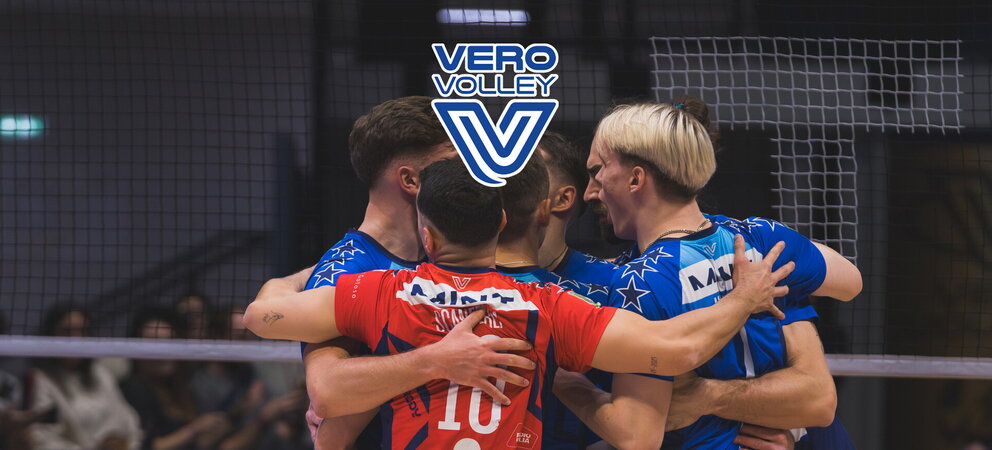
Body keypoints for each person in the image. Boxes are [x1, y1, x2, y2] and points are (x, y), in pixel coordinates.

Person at [243, 157, 794, 449]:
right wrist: (743, 298)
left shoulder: (381, 291)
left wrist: (297, 278)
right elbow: (676, 350)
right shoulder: (548, 305)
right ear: (504, 222)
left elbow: (261, 317)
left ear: (427, 236)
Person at [555, 98, 862, 449]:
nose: (590, 191)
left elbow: (637, 437)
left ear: (636, 179)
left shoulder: (639, 281)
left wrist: (563, 378)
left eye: (597, 171)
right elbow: (851, 283)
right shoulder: (759, 239)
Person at [298, 96, 536, 448]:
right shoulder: (348, 269)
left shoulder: (447, 257)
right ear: (410, 180)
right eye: (454, 162)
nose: (468, 175)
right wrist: (435, 359)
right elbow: (326, 391)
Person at [27, 307, 142, 450]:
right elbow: (44, 439)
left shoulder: (100, 373)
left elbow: (129, 421)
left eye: (82, 331)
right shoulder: (42, 380)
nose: (77, 338)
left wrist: (126, 443)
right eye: (68, 331)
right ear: (52, 335)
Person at [120, 309, 232, 450]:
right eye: (154, 344)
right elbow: (148, 446)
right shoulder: (134, 390)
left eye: (169, 342)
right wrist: (194, 429)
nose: (164, 351)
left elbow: (195, 446)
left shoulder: (180, 388)